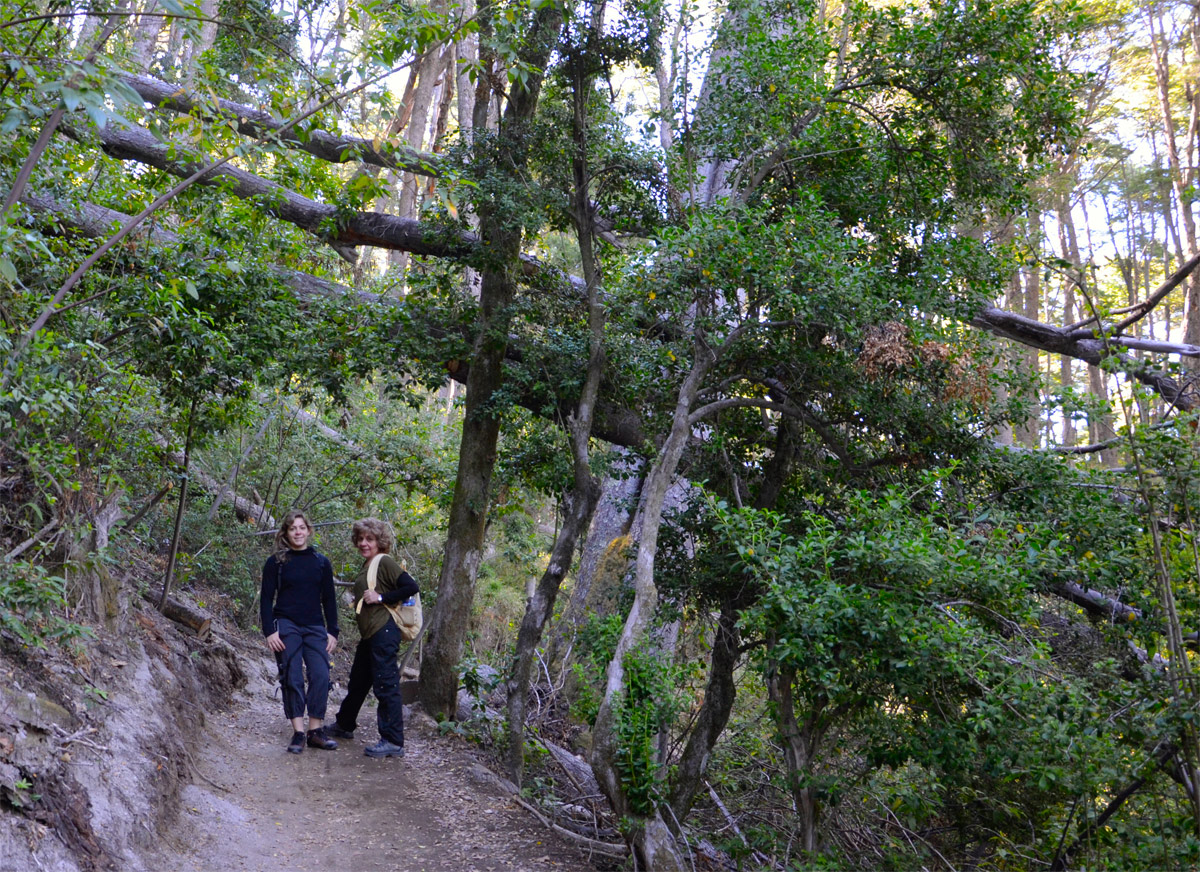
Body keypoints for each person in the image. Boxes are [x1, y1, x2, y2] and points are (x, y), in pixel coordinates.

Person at [325, 518, 418, 759]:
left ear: (380, 541)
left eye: (370, 539)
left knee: (385, 684)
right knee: (358, 682)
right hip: (371, 635)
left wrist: (380, 598)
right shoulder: (369, 564)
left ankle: (393, 741)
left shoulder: (384, 561)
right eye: (361, 539)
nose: (364, 543)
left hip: (384, 632)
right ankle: (344, 725)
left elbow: (411, 586)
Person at [260, 510, 340, 754]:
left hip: (315, 626)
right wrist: (270, 632)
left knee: (320, 674)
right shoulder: (276, 562)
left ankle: (315, 731)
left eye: (301, 527)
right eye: (292, 528)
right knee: (292, 675)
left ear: (308, 531)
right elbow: (266, 599)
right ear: (286, 532)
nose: (297, 532)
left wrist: (333, 631)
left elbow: (329, 599)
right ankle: (298, 733)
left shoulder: (321, 562)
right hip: (287, 625)